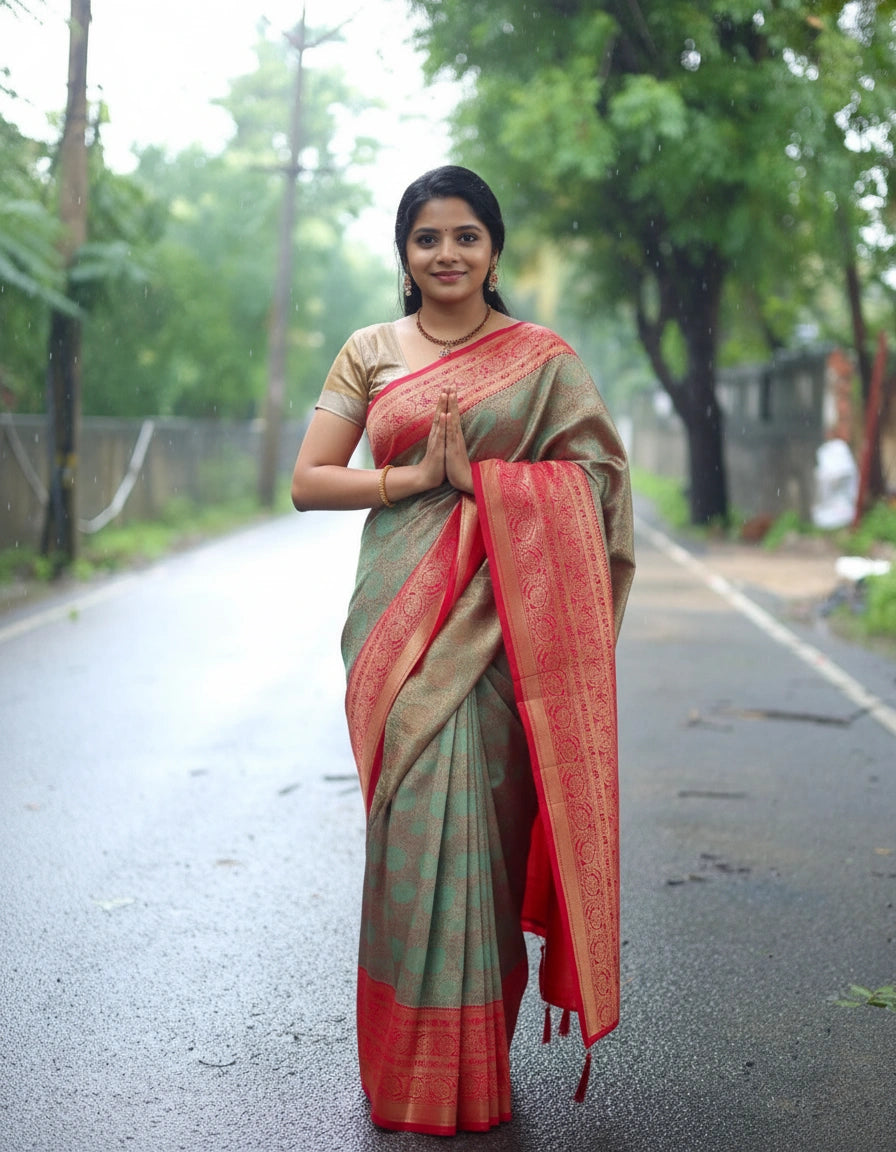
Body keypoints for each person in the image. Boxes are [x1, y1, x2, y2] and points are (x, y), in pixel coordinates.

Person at [291, 165, 635, 1135]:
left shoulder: (541, 359)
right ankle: (404, 1066)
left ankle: (473, 1065)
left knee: (478, 833)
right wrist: (416, 480)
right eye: (425, 238)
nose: (445, 254)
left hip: (500, 625)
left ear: (492, 250)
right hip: (393, 625)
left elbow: (596, 480)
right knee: (409, 832)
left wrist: (489, 487)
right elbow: (310, 481)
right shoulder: (369, 352)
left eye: (465, 236)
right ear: (403, 256)